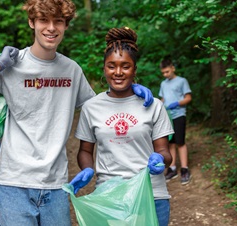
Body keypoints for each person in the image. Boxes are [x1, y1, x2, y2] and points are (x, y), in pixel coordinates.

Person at [0, 0, 153, 224]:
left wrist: (128, 91)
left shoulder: (72, 70)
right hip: (13, 184)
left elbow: (101, 108)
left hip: (56, 187)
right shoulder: (11, 66)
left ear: (66, 26)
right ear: (31, 22)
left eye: (58, 21)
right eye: (43, 20)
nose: (51, 28)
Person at [69, 27, 174, 226]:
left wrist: (160, 158)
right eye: (112, 66)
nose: (118, 72)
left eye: (125, 66)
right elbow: (85, 150)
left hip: (152, 195)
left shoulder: (154, 106)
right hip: (110, 196)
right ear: (104, 68)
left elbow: (165, 152)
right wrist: (87, 168)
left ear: (134, 70)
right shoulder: (92, 107)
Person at [159, 58, 192, 185]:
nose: (165, 75)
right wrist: (159, 106)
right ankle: (172, 168)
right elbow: (163, 99)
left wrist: (177, 103)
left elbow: (188, 97)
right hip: (167, 116)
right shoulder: (163, 84)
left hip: (178, 115)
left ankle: (184, 169)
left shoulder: (182, 81)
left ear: (173, 68)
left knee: (180, 142)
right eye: (163, 73)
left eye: (167, 72)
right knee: (170, 142)